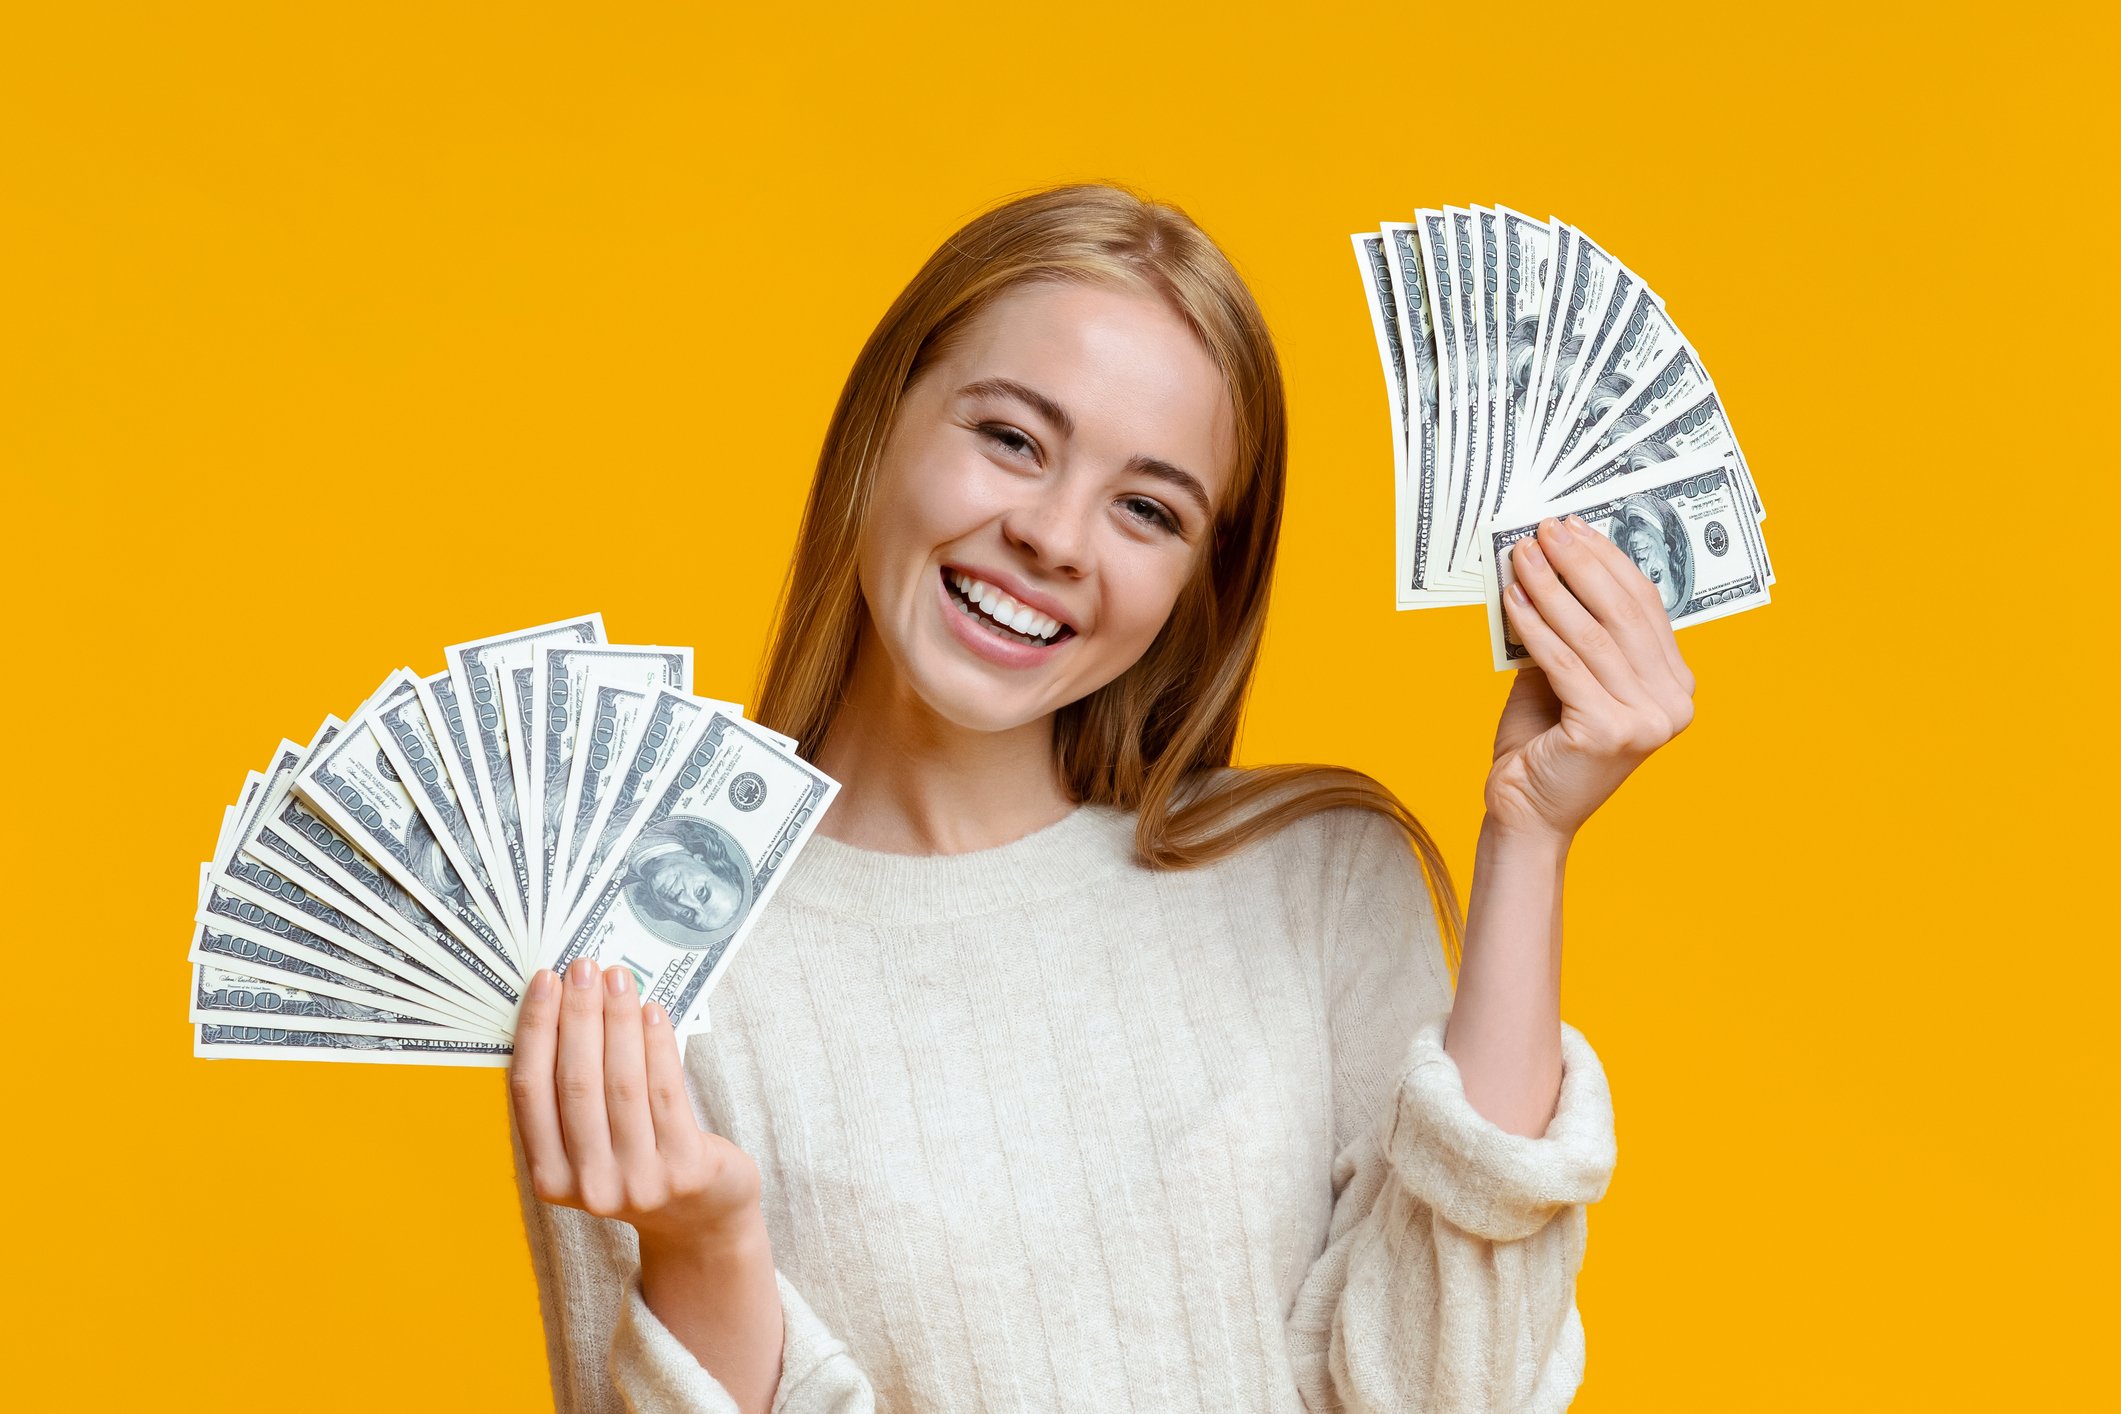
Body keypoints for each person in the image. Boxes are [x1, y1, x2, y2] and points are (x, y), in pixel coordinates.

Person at [505, 182, 1696, 1413]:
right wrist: (706, 1250)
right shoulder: (649, 965)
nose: (1058, 538)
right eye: (1012, 438)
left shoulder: (1320, 881)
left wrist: (1531, 838)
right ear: (880, 424)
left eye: (1147, 509)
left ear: (1195, 583)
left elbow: (1464, 1396)